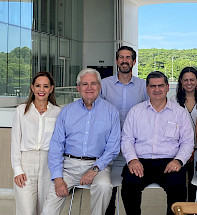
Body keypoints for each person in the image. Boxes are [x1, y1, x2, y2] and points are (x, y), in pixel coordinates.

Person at [41, 68, 121, 215]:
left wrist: (94, 169)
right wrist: (58, 178)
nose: (89, 88)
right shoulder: (66, 111)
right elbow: (56, 146)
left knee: (104, 186)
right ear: (78, 88)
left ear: (99, 86)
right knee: (47, 210)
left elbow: (113, 148)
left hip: (98, 166)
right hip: (68, 167)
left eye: (93, 84)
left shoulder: (111, 112)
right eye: (85, 84)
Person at [120, 71, 194, 215]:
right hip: (141, 161)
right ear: (147, 89)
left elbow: (187, 142)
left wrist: (178, 161)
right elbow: (127, 139)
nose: (157, 89)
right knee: (129, 185)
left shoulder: (179, 112)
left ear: (167, 87)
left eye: (161, 86)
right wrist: (132, 160)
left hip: (169, 162)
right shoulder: (135, 112)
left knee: (178, 188)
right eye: (153, 86)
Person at [100, 46, 148, 214]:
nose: (124, 60)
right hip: (108, 144)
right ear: (116, 61)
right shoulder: (104, 85)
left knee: (131, 188)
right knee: (107, 188)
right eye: (121, 57)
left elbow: (150, 113)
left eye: (128, 57)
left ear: (134, 62)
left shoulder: (143, 86)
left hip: (134, 146)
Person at [11, 72, 61, 215]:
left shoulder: (57, 112)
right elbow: (15, 141)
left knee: (46, 208)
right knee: (26, 210)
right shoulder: (21, 111)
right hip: (26, 162)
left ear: (51, 89)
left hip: (48, 163)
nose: (41, 90)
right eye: (38, 86)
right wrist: (17, 169)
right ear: (32, 88)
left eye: (46, 86)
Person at [170, 66, 197, 202]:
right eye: (186, 80)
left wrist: (196, 149)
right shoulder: (173, 101)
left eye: (192, 80)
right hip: (178, 151)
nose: (189, 83)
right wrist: (184, 151)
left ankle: (194, 210)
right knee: (179, 186)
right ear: (181, 82)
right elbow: (171, 129)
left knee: (195, 186)